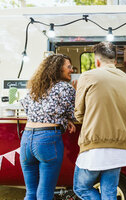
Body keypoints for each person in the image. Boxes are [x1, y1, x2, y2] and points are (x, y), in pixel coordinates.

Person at [73, 42, 126, 200]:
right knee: (109, 192)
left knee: (81, 188)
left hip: (95, 145)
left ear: (97, 61)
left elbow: (79, 114)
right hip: (119, 146)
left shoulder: (88, 76)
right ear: (115, 61)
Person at [20, 54, 76, 200]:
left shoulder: (35, 87)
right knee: (45, 193)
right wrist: (68, 118)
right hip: (47, 139)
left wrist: (63, 118)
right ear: (58, 69)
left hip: (26, 139)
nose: (71, 70)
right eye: (68, 67)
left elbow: (26, 107)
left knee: (31, 192)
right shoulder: (65, 88)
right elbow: (75, 114)